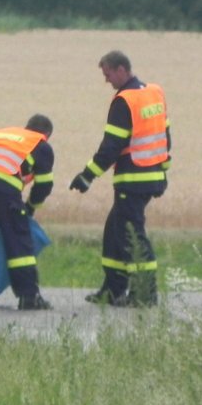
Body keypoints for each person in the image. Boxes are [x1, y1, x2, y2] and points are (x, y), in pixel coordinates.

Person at [69, 50, 170, 307]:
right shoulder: (154, 92)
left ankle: (145, 293)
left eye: (108, 74)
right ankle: (113, 290)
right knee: (114, 230)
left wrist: (86, 176)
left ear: (122, 70)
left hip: (133, 177)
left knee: (131, 235)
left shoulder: (124, 101)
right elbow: (165, 135)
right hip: (152, 174)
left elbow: (112, 146)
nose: (107, 81)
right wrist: (163, 172)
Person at [0, 114, 55, 310]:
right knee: (18, 241)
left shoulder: (0, 134)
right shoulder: (40, 144)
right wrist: (30, 207)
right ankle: (28, 297)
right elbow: (44, 186)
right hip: (3, 187)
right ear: (46, 134)